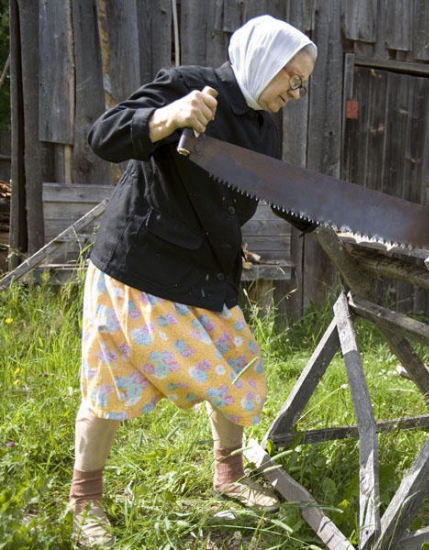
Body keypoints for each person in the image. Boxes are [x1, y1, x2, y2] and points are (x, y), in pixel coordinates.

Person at [68, 15, 317, 547]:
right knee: (108, 386)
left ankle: (228, 476)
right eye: (290, 78)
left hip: (206, 269)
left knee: (238, 367)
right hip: (139, 266)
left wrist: (326, 214)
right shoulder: (188, 84)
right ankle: (85, 499)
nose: (295, 92)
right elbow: (103, 136)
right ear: (262, 64)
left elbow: (263, 185)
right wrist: (166, 117)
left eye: (301, 83)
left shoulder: (262, 122)